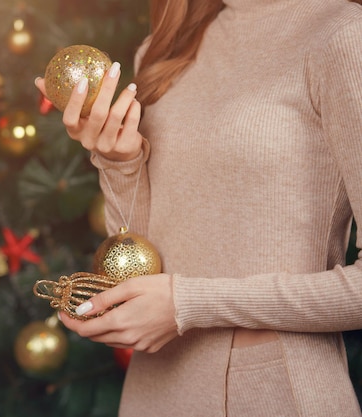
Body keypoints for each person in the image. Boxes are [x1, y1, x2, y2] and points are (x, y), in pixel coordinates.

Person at [34, 0, 362, 415]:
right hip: (153, 391)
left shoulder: (341, 34)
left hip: (270, 393)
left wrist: (189, 303)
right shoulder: (166, 47)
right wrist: (119, 161)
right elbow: (137, 256)